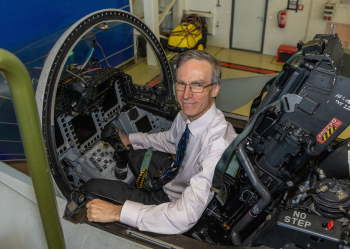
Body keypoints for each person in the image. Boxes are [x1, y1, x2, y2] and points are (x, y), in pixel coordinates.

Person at [82, 50, 237, 234]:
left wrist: (117, 212)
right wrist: (130, 139)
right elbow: (170, 141)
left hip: (173, 202)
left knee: (91, 188)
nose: (186, 95)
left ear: (215, 88)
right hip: (174, 175)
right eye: (181, 84)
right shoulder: (188, 114)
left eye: (197, 85)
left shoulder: (218, 146)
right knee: (132, 152)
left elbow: (184, 216)